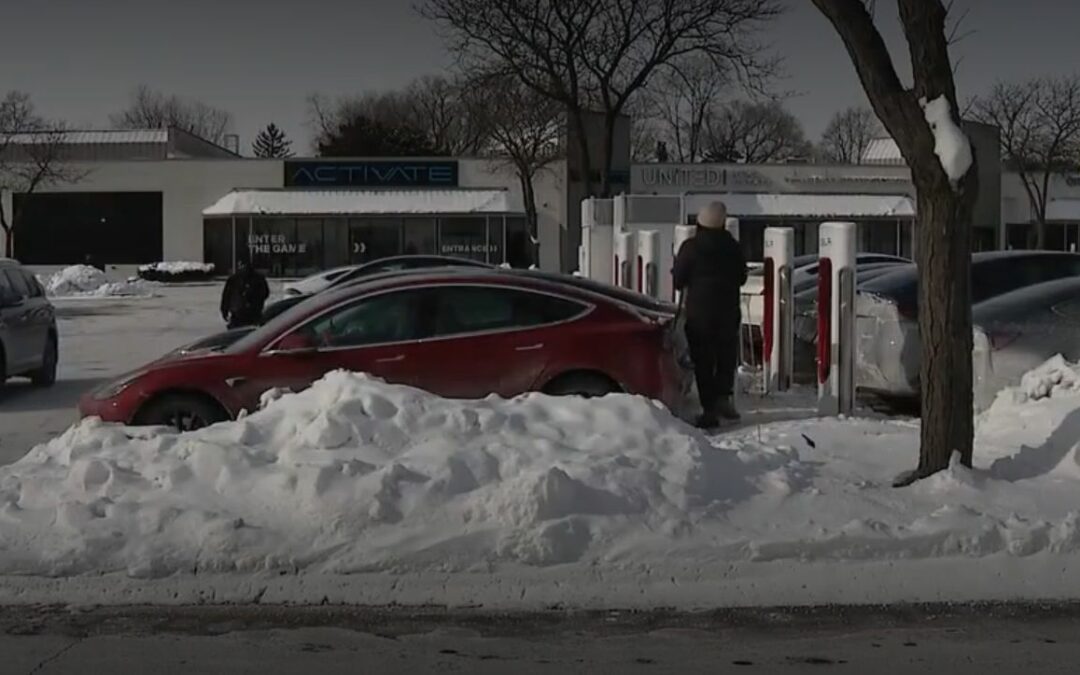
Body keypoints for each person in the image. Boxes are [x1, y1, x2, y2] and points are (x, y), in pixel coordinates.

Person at [672, 201, 747, 428]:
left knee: (703, 361)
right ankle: (724, 399)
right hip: (728, 311)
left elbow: (678, 280)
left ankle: (709, 410)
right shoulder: (733, 247)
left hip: (699, 314)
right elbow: (742, 277)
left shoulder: (691, 247)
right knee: (725, 357)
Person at [220, 259, 270, 329]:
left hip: (247, 314)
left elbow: (226, 297)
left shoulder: (234, 279)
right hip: (246, 314)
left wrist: (225, 310)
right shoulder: (234, 279)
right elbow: (226, 296)